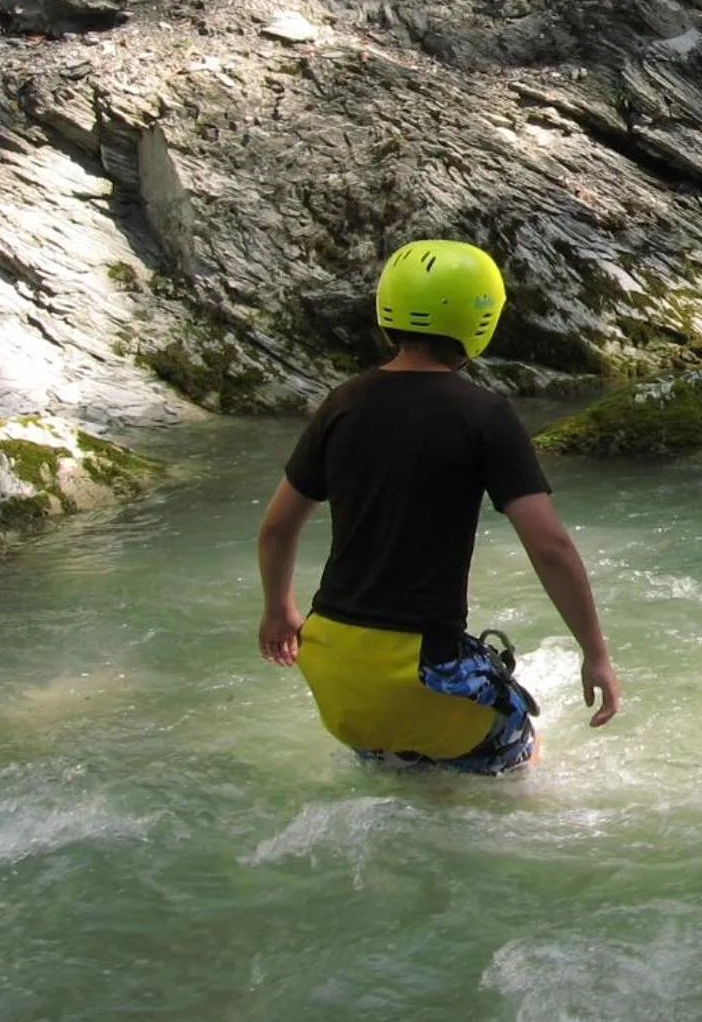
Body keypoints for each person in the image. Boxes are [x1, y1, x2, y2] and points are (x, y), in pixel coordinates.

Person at [256, 239, 619, 775]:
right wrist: (596, 652)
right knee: (521, 749)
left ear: (387, 311)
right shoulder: (485, 415)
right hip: (422, 671)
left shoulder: (343, 403)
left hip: (333, 668)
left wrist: (278, 611)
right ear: (483, 319)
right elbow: (549, 545)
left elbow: (276, 529)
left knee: (409, 775)